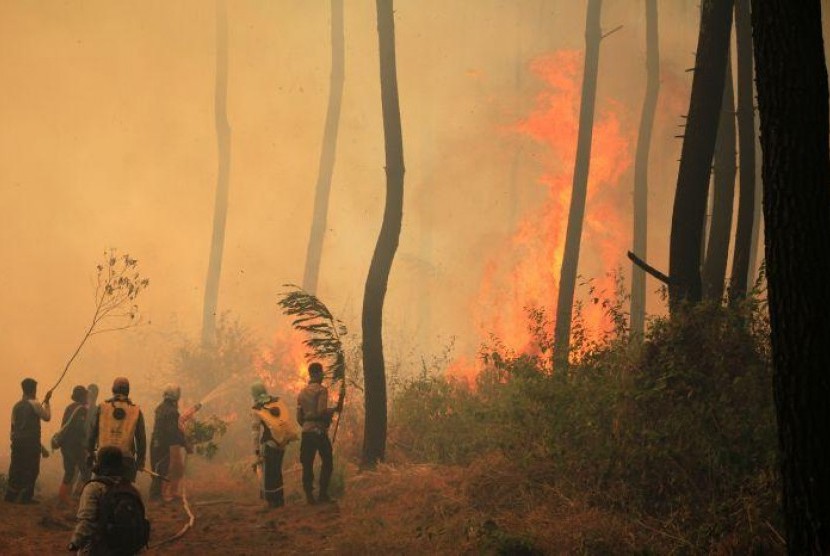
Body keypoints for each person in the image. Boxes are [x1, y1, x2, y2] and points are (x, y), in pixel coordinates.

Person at [68, 445, 150, 555]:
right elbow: (142, 521)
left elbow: (87, 522)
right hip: (129, 550)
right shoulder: (133, 489)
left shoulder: (93, 488)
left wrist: (74, 543)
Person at [296, 362, 341, 504]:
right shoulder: (321, 390)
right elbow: (321, 411)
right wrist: (334, 409)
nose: (322, 375)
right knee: (327, 461)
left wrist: (307, 424)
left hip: (306, 432)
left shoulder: (301, 393)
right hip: (319, 432)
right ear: (316, 374)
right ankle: (322, 494)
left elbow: (299, 418)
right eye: (321, 372)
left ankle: (309, 496)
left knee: (307, 463)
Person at [87, 377, 146, 483]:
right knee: (127, 493)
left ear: (113, 390)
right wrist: (140, 462)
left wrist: (90, 454)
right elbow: (141, 439)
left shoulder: (102, 407)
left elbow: (93, 433)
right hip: (126, 461)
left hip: (103, 459)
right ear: (127, 391)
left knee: (95, 489)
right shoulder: (136, 410)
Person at [4, 377, 51, 504]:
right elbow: (47, 417)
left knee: (16, 468)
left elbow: (13, 426)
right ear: (33, 389)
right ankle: (25, 498)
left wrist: (14, 440)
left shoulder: (16, 406)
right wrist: (47, 402)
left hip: (17, 442)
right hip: (31, 443)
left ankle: (11, 495)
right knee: (32, 469)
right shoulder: (35, 404)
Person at [149, 384, 189, 502]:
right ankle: (155, 496)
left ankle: (159, 495)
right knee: (161, 469)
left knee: (159, 468)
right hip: (162, 444)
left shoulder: (161, 408)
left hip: (157, 443)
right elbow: (173, 432)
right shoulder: (171, 412)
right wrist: (185, 443)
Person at [251, 382, 288, 508]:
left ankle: (272, 502)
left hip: (269, 443)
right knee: (277, 471)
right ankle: (280, 500)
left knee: (269, 474)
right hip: (282, 442)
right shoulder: (277, 401)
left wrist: (256, 451)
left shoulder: (257, 407)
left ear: (254, 394)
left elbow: (255, 431)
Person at [57, 385, 89, 506]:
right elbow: (79, 429)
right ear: (82, 396)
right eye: (86, 395)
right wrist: (85, 443)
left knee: (69, 471)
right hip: (75, 445)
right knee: (85, 471)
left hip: (65, 444)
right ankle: (79, 498)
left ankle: (62, 498)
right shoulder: (81, 409)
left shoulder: (69, 407)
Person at [74, 383, 99, 496]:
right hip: (80, 442)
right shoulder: (80, 408)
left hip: (89, 444)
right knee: (76, 469)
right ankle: (73, 492)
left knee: (86, 470)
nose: (91, 396)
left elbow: (97, 428)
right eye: (90, 393)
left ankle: (79, 493)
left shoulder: (97, 410)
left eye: (93, 394)